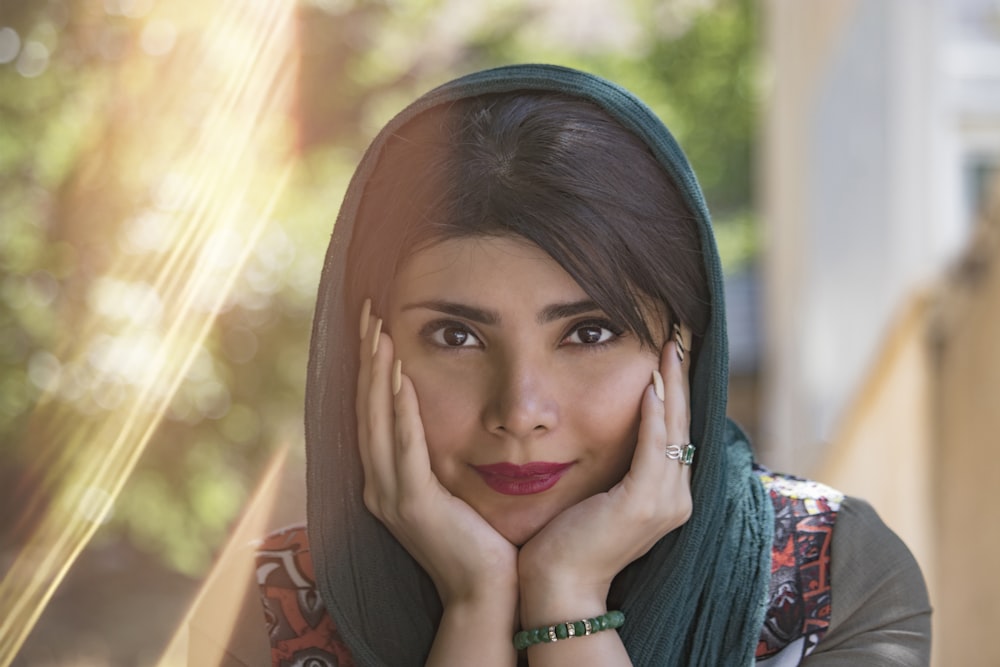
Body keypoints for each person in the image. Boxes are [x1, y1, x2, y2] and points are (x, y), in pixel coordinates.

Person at [191, 64, 931, 666]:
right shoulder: (264, 609)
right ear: (368, 352)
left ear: (684, 349)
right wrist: (478, 607)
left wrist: (568, 600)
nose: (520, 409)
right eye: (455, 336)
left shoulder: (832, 575)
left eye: (589, 331)